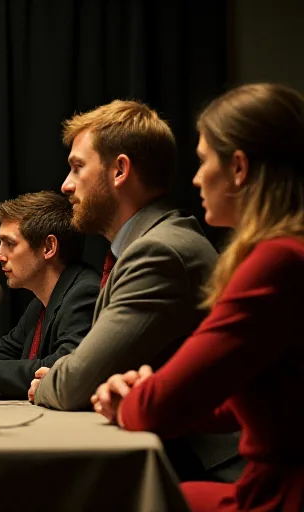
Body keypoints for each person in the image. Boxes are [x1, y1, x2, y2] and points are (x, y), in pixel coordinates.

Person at [92, 83, 304, 512]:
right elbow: (244, 401)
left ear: (239, 168)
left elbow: (158, 411)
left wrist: (133, 399)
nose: (194, 178)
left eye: (204, 160)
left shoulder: (277, 262)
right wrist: (148, 392)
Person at [29, 99, 240, 481]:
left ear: (120, 170)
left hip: (211, 471)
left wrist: (54, 377)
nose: (66, 185)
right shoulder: (147, 244)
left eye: (78, 167)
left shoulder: (158, 252)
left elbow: (76, 384)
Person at [0, 191, 98, 400]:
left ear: (49, 247)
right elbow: (3, 358)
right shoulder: (39, 303)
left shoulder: (85, 292)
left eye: (10, 243)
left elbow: (67, 367)